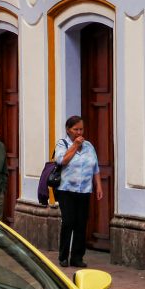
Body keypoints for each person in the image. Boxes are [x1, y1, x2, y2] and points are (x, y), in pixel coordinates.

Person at [53, 115, 102, 269]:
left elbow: (95, 167)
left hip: (84, 190)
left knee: (81, 223)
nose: (79, 132)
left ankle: (77, 257)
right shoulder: (62, 144)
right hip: (66, 189)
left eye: (81, 129)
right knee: (68, 222)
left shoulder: (89, 146)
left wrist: (98, 186)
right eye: (76, 129)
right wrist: (74, 145)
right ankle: (63, 256)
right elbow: (62, 161)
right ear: (68, 130)